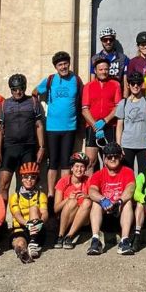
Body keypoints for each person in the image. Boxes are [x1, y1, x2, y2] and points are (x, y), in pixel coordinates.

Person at [34, 51, 83, 199]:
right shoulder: (50, 80)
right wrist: (37, 111)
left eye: (65, 63)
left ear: (69, 63)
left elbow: (82, 99)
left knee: (66, 163)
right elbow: (35, 92)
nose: (63, 67)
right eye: (60, 65)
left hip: (70, 127)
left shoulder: (76, 79)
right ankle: (51, 194)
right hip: (52, 128)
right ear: (56, 67)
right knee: (53, 162)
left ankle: (63, 194)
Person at [0, 73, 45, 203]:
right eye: (15, 89)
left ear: (25, 87)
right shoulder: (4, 104)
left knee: (29, 185)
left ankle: (27, 220)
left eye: (21, 89)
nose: (18, 92)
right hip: (9, 149)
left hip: (28, 148)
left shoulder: (33, 102)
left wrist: (41, 148)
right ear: (10, 89)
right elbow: (0, 130)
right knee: (3, 185)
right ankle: (1, 220)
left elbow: (39, 126)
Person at [86, 142, 137, 255]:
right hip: (104, 209)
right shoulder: (98, 174)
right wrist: (102, 199)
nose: (113, 159)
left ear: (121, 157)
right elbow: (92, 191)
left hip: (120, 208)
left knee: (128, 202)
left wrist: (119, 202)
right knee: (95, 203)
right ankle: (95, 240)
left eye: (116, 156)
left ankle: (124, 241)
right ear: (104, 159)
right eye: (109, 156)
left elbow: (131, 188)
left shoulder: (127, 172)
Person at [82, 56, 122, 171]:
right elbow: (85, 110)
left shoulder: (115, 84)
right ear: (95, 70)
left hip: (110, 126)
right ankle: (90, 188)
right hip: (92, 128)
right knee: (90, 162)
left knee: (110, 161)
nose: (104, 72)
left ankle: (108, 188)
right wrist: (96, 126)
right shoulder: (88, 86)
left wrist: (105, 121)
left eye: (106, 69)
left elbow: (117, 107)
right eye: (101, 69)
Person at [115, 70, 146, 171]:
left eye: (138, 83)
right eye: (133, 83)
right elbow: (119, 125)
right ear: (128, 85)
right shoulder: (123, 103)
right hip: (127, 144)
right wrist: (119, 145)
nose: (135, 86)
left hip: (144, 144)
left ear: (141, 84)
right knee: (127, 173)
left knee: (143, 174)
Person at [7, 162, 48, 263]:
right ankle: (22, 251)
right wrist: (27, 224)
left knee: (34, 208)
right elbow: (16, 214)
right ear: (21, 178)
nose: (29, 180)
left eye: (32, 177)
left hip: (37, 230)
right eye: (26, 177)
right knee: (20, 242)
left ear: (36, 179)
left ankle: (33, 241)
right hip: (21, 228)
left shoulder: (41, 195)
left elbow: (44, 212)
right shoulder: (14, 196)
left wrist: (40, 222)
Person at [54, 152, 92, 249]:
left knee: (87, 201)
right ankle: (60, 235)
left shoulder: (88, 180)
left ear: (86, 169)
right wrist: (67, 199)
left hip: (83, 217)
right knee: (72, 201)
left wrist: (87, 196)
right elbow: (56, 209)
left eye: (82, 167)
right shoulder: (63, 181)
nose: (79, 169)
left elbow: (95, 197)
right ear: (71, 168)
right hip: (66, 216)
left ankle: (69, 236)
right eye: (76, 166)